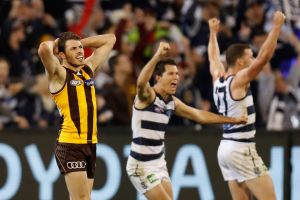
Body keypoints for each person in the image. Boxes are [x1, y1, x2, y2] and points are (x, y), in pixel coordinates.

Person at [126, 41, 248, 200]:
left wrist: (233, 119)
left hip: (158, 164)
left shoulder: (171, 102)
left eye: (177, 74)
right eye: (170, 74)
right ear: (157, 78)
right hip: (140, 165)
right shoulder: (148, 96)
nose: (176, 77)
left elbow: (200, 116)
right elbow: (141, 82)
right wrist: (157, 55)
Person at [208, 11, 285, 200]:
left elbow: (213, 57)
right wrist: (276, 27)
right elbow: (264, 58)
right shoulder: (238, 80)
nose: (253, 59)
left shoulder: (218, 79)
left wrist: (212, 33)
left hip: (225, 147)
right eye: (250, 56)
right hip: (241, 149)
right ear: (240, 61)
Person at [38, 32, 116, 199]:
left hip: (90, 143)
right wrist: (60, 43)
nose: (80, 51)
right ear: (61, 54)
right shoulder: (59, 74)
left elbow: (110, 39)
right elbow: (44, 48)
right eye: (73, 49)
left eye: (80, 48)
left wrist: (79, 42)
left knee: (83, 197)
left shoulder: (88, 69)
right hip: (70, 144)